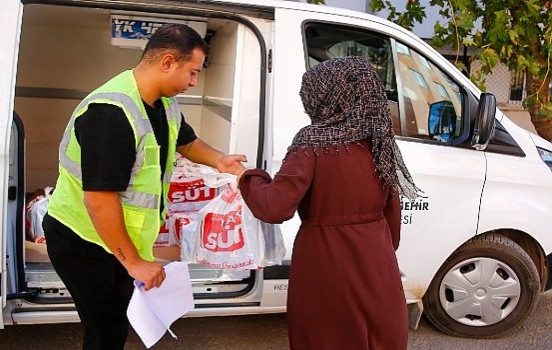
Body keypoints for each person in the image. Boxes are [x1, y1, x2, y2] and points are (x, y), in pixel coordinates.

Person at [43, 24, 246, 350]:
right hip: (84, 239)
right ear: (167, 62)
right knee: (105, 331)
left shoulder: (164, 104)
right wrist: (133, 262)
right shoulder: (112, 113)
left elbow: (187, 142)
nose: (194, 82)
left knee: (113, 323)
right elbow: (98, 199)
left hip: (116, 240)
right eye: (191, 72)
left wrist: (220, 161)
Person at [237, 57, 421, 349]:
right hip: (377, 263)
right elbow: (393, 220)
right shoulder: (379, 140)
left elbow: (274, 207)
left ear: (324, 96)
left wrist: (248, 177)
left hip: (325, 262)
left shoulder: (313, 142)